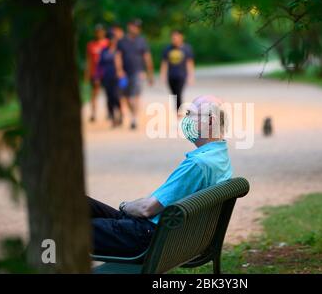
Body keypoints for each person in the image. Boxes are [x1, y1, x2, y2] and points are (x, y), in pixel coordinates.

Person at [88, 95, 232, 256]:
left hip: (146, 237)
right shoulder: (220, 156)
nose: (186, 120)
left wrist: (124, 206)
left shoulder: (199, 164)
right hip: (166, 234)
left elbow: (146, 209)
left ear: (210, 121)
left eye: (190, 114)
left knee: (68, 226)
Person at [117, 19, 155, 130]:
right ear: (129, 26)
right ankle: (133, 113)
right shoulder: (122, 41)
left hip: (138, 72)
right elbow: (118, 56)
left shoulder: (142, 41)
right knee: (126, 97)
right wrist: (119, 70)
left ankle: (134, 118)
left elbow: (147, 57)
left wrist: (150, 74)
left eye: (138, 27)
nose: (136, 29)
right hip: (125, 73)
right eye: (134, 26)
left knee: (136, 96)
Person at [160, 30, 195, 114]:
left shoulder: (186, 48)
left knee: (178, 93)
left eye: (176, 37)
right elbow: (164, 63)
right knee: (173, 94)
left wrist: (191, 76)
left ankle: (179, 112)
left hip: (182, 75)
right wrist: (163, 74)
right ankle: (177, 110)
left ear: (181, 37)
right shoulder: (167, 49)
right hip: (171, 75)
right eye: (173, 38)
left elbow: (189, 63)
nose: (174, 39)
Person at [98, 29, 125, 127]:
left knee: (116, 96)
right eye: (109, 39)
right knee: (109, 98)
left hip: (117, 77)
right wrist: (98, 76)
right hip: (106, 77)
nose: (111, 41)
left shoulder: (119, 51)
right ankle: (113, 117)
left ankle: (120, 113)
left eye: (113, 39)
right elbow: (100, 65)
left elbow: (122, 64)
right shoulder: (103, 51)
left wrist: (122, 73)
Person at [85, 24, 109, 122]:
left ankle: (109, 112)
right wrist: (87, 73)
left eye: (101, 31)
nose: (99, 33)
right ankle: (93, 113)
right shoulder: (91, 45)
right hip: (95, 72)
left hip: (107, 71)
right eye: (97, 31)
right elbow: (89, 60)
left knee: (109, 93)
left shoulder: (108, 43)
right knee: (94, 93)